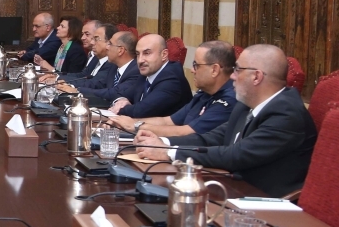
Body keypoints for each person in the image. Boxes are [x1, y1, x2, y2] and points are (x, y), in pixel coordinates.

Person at [135, 44, 316, 197]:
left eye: (238, 70)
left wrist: (169, 153)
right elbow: (213, 137)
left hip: (263, 203)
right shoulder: (247, 104)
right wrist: (162, 144)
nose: (232, 76)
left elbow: (235, 155)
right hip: (231, 187)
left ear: (257, 76)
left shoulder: (287, 114)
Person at [108, 40, 237, 137]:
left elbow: (187, 131)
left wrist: (135, 126)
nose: (192, 70)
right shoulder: (205, 93)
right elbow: (168, 121)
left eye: (196, 65)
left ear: (214, 70)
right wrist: (124, 122)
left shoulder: (229, 100)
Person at [107, 33, 193, 118]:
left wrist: (119, 108)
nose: (140, 60)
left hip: (163, 131)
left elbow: (141, 110)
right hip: (138, 128)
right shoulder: (147, 72)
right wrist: (121, 100)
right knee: (101, 130)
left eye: (147, 53)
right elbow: (120, 94)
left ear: (164, 55)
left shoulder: (172, 79)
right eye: (138, 54)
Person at [62, 30, 143, 105]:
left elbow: (114, 92)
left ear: (120, 50)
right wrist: (70, 86)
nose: (107, 47)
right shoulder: (114, 66)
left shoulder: (136, 71)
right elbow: (99, 83)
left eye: (110, 44)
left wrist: (77, 91)